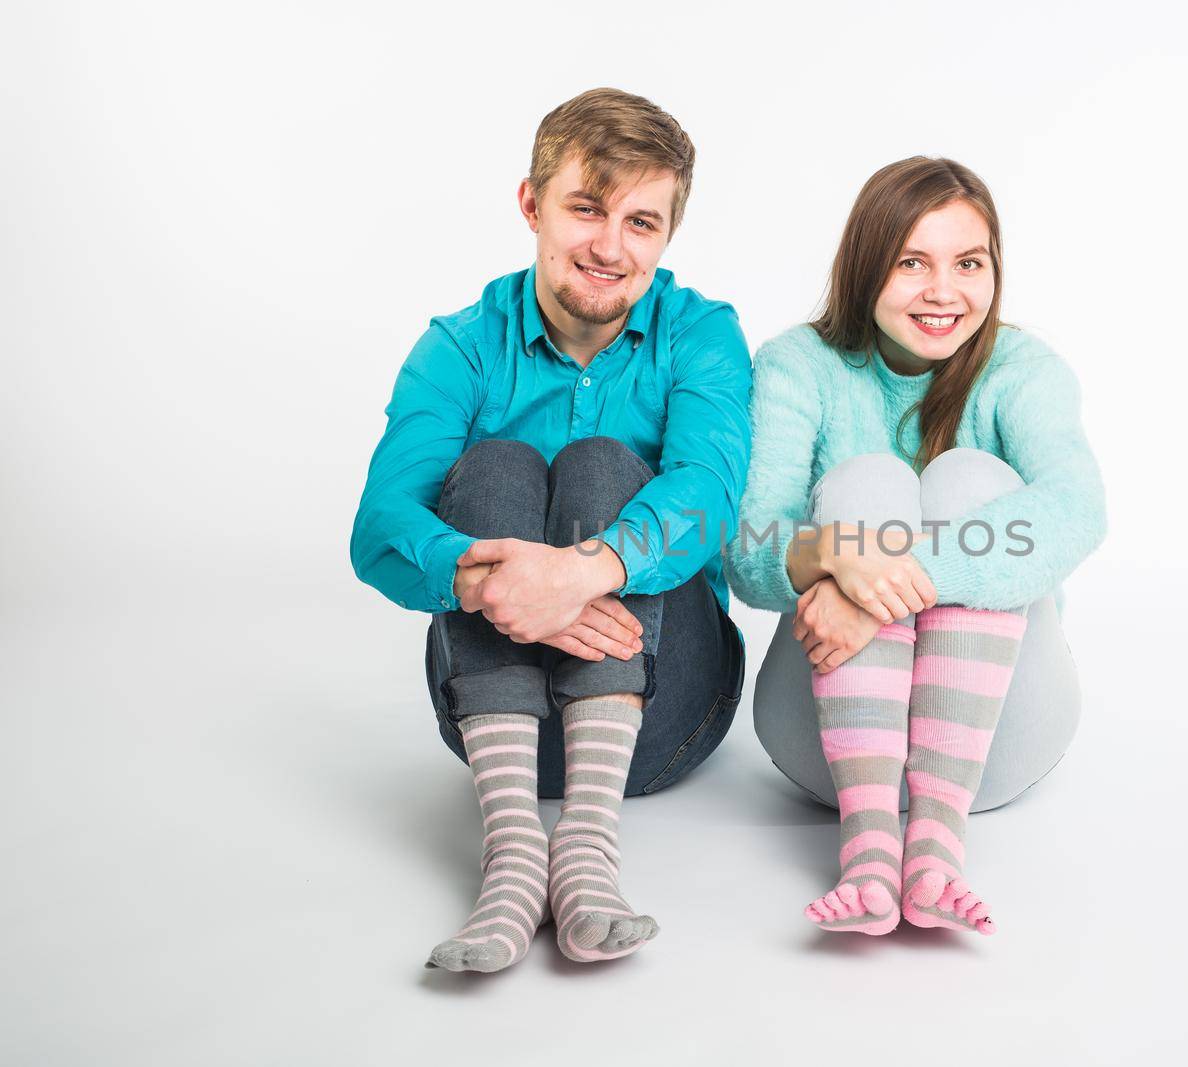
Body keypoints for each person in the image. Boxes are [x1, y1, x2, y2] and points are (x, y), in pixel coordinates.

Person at [351, 88, 750, 968]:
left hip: (661, 715)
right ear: (531, 204)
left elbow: (712, 491)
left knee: (606, 464)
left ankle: (586, 846)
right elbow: (380, 526)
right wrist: (495, 583)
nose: (611, 246)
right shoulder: (459, 345)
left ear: (668, 236)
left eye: (642, 221)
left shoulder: (702, 334)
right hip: (503, 737)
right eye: (586, 208)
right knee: (494, 468)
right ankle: (514, 850)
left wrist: (581, 572)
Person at [725, 157, 1107, 937]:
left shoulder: (1023, 369)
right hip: (829, 745)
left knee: (970, 477)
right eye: (912, 263)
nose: (944, 291)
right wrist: (833, 550)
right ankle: (869, 849)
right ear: (867, 266)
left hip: (998, 738)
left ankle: (936, 844)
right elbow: (744, 547)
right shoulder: (799, 365)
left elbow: (1079, 508)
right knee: (867, 484)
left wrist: (889, 579)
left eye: (969, 263)